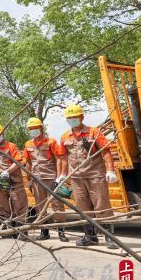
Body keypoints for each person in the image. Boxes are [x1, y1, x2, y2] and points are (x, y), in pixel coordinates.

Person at [58, 104, 117, 248]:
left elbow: (106, 152)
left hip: (95, 175)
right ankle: (90, 237)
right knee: (82, 208)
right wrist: (62, 175)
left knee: (102, 206)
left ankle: (109, 237)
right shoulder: (65, 136)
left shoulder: (93, 132)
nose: (72, 120)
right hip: (76, 178)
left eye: (75, 117)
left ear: (82, 117)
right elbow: (64, 157)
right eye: (69, 118)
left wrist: (110, 170)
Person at [23, 117, 68, 242]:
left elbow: (59, 159)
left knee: (57, 205)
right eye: (31, 129)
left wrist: (59, 177)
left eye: (35, 128)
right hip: (36, 179)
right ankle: (44, 232)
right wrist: (29, 179)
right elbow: (28, 163)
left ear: (40, 128)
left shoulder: (51, 142)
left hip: (51, 178)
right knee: (40, 206)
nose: (33, 130)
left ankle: (61, 232)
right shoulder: (28, 144)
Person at [0, 124, 28, 237]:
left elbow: (18, 161)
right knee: (1, 205)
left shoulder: (10, 146)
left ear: (0, 135)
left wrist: (7, 171)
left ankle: (21, 230)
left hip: (13, 181)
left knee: (19, 205)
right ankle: (6, 229)